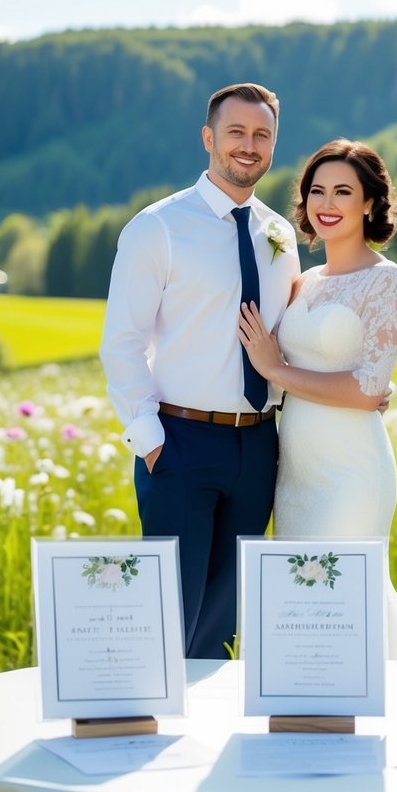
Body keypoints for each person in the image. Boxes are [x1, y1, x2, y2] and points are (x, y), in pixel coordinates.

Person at [100, 82, 300, 659]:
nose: (249, 145)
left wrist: (358, 381)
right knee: (166, 621)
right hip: (179, 443)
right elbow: (122, 340)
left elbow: (289, 335)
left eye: (262, 135)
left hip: (259, 448)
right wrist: (148, 439)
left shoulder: (279, 237)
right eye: (236, 132)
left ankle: (207, 745)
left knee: (222, 627)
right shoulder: (156, 228)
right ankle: (148, 740)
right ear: (208, 138)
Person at [237, 138, 397, 660]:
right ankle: (309, 715)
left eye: (342, 191)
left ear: (369, 203)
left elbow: (368, 392)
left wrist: (275, 367)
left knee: (345, 593)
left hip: (352, 472)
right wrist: (274, 372)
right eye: (316, 190)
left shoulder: (386, 281)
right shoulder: (303, 281)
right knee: (301, 601)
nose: (326, 203)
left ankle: (364, 715)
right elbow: (288, 375)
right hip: (296, 473)